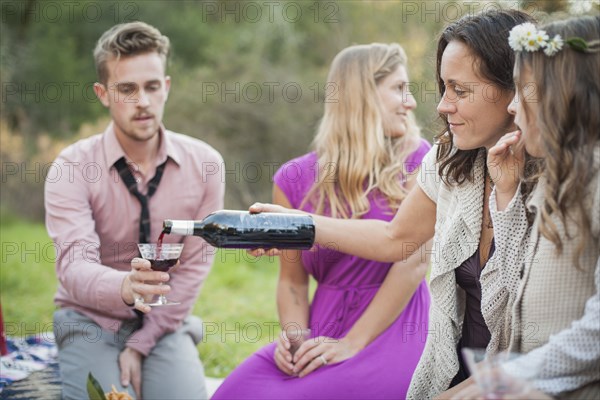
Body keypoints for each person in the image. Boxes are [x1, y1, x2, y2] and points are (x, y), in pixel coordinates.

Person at [250, 9, 536, 399]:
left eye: (461, 91)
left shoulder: (565, 180)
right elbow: (394, 236)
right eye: (444, 88)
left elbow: (549, 343)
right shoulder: (451, 160)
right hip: (458, 362)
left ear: (515, 89)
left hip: (518, 374)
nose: (440, 105)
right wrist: (299, 225)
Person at [213, 43, 431, 399]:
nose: (411, 102)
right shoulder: (293, 178)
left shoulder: (420, 161)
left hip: (395, 325)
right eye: (398, 88)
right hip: (322, 325)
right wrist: (296, 336)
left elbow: (413, 261)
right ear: (361, 94)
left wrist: (352, 343)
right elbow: (293, 283)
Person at [44, 21, 225, 399]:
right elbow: (74, 267)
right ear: (103, 94)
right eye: (127, 89)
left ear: (167, 87)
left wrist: (142, 343)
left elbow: (193, 269)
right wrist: (125, 287)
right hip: (90, 320)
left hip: (165, 324)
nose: (142, 101)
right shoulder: (71, 166)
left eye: (152, 86)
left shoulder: (206, 163)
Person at [453, 15, 600, 399]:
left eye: (523, 91)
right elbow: (503, 302)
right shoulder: (555, 180)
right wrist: (505, 194)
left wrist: (511, 377)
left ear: (561, 95)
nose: (513, 107)